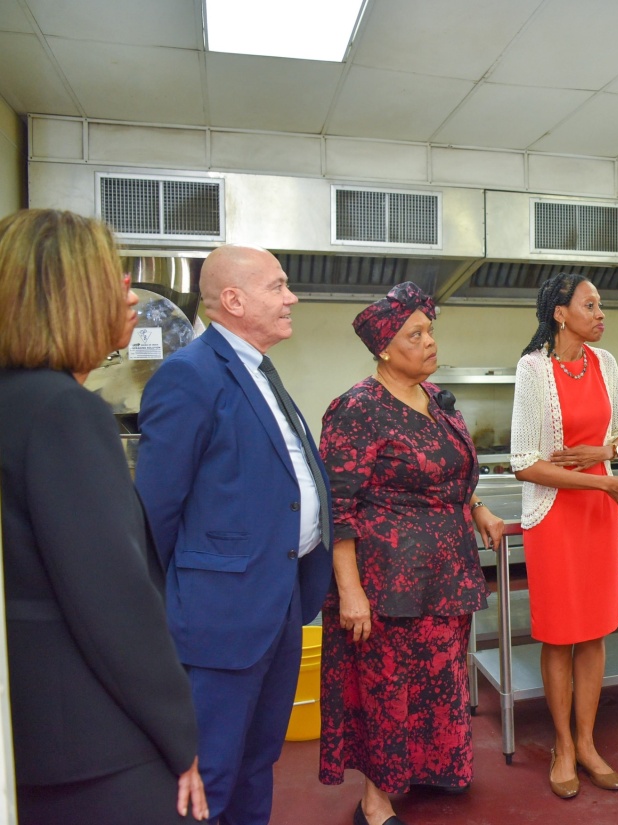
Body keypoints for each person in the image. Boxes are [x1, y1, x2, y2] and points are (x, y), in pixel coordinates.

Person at [0, 209, 207, 824]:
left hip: (41, 734)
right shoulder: (65, 411)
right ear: (69, 294)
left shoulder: (16, 400)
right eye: (110, 275)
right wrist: (180, 736)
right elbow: (112, 601)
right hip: (98, 743)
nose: (128, 290)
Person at [137, 244, 334, 825]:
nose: (290, 297)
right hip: (223, 616)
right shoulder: (189, 375)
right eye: (277, 286)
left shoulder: (259, 370)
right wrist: (193, 595)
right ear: (233, 299)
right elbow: (155, 512)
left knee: (257, 762)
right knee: (212, 775)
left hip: (279, 600)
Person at [317, 283, 502, 825]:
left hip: (448, 573)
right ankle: (375, 802)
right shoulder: (357, 409)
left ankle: (430, 767)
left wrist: (479, 508)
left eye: (429, 331)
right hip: (388, 580)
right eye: (414, 334)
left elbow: (452, 475)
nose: (429, 342)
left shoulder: (436, 399)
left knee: (440, 677)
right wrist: (351, 592)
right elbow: (339, 509)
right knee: (388, 689)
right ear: (383, 348)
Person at [510, 273, 618, 800]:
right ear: (561, 313)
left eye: (601, 304)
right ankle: (563, 746)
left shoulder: (605, 364)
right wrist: (600, 478)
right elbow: (523, 463)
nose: (600, 313)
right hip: (556, 516)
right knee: (560, 634)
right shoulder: (533, 368)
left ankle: (587, 742)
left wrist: (604, 455)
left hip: (598, 515)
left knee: (594, 632)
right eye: (591, 305)